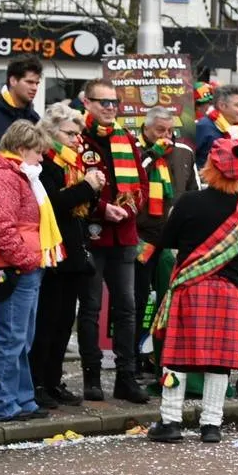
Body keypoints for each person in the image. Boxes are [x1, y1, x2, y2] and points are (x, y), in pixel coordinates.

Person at [145, 136, 238, 444]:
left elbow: (167, 241)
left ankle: (170, 421)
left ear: (210, 167)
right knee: (219, 361)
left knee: (176, 358)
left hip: (189, 288)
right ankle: (211, 425)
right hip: (227, 291)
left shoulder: (189, 202)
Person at [0, 119, 57, 424]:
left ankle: (20, 398)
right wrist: (26, 259)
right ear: (21, 149)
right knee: (10, 338)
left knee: (21, 338)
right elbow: (2, 227)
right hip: (13, 267)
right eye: (37, 152)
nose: (41, 159)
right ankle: (0, 402)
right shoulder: (2, 178)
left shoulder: (16, 176)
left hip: (22, 266)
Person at [78, 80, 150, 404]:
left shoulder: (126, 139)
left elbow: (142, 184)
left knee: (127, 307)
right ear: (87, 102)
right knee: (91, 308)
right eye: (103, 102)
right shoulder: (78, 138)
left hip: (124, 234)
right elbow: (72, 185)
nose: (110, 108)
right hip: (93, 234)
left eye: (114, 102)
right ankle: (92, 377)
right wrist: (102, 209)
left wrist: (129, 208)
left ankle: (126, 376)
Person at [31, 103, 101, 409]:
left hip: (73, 249)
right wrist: (87, 187)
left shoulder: (73, 162)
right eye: (70, 133)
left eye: (78, 134)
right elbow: (53, 203)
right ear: (51, 131)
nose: (76, 140)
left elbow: (79, 209)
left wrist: (93, 191)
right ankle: (38, 382)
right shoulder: (45, 162)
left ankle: (53, 378)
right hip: (52, 251)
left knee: (63, 322)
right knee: (47, 320)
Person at [132, 107, 191, 372]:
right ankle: (134, 355)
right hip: (143, 239)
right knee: (139, 299)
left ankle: (162, 355)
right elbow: (130, 185)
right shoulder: (135, 151)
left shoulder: (184, 153)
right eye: (160, 131)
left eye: (170, 130)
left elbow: (194, 194)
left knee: (168, 299)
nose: (167, 136)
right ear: (146, 130)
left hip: (174, 242)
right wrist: (151, 155)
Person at [191, 84, 238, 164]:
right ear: (222, 105)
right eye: (237, 105)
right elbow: (187, 159)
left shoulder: (236, 131)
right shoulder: (203, 126)